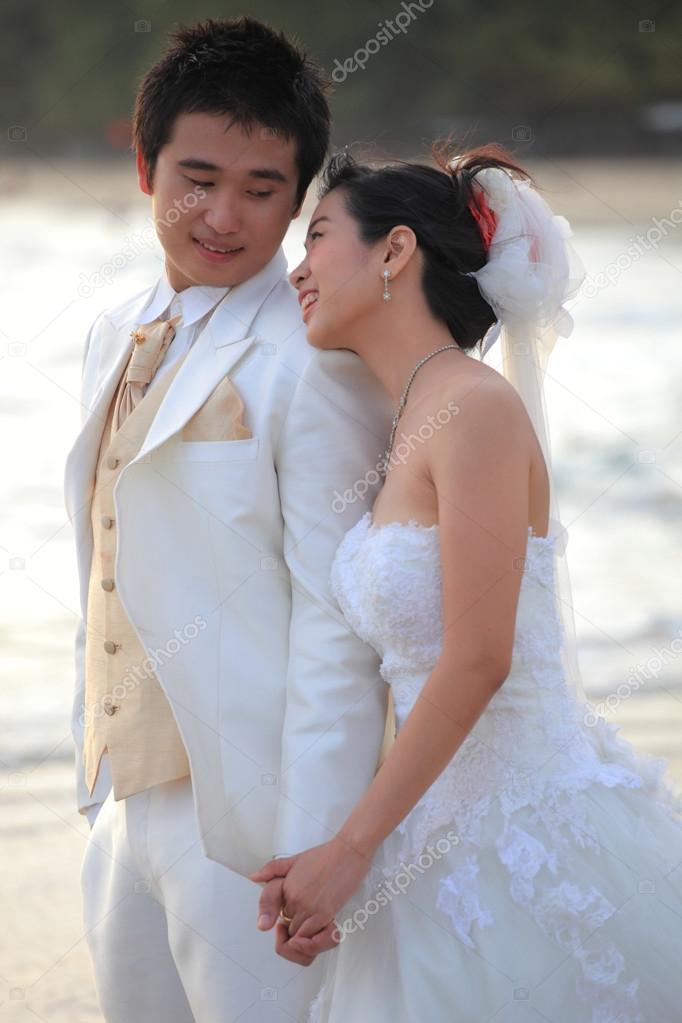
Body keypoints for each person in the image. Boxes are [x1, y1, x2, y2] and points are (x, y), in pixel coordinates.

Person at [251, 143, 682, 1021]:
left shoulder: (474, 407)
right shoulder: (411, 414)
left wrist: (349, 848)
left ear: (395, 251)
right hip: (430, 828)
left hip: (522, 829)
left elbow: (479, 657)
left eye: (319, 236)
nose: (298, 269)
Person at [64, 16, 393, 1022]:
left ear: (299, 196)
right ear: (143, 163)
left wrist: (316, 837)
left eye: (264, 190)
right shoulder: (109, 327)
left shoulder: (315, 361)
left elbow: (340, 621)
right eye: (196, 178)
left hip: (249, 820)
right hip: (119, 794)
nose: (223, 216)